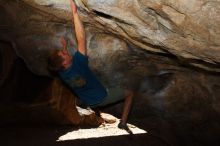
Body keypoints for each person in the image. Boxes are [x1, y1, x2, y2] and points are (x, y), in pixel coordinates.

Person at [48, 0, 134, 134]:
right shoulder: (79, 65)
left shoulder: (62, 72)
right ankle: (123, 123)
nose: (65, 51)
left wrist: (64, 47)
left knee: (89, 86)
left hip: (89, 101)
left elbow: (59, 63)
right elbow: (81, 39)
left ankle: (94, 108)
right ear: (65, 63)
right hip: (102, 97)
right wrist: (75, 12)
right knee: (130, 93)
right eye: (64, 53)